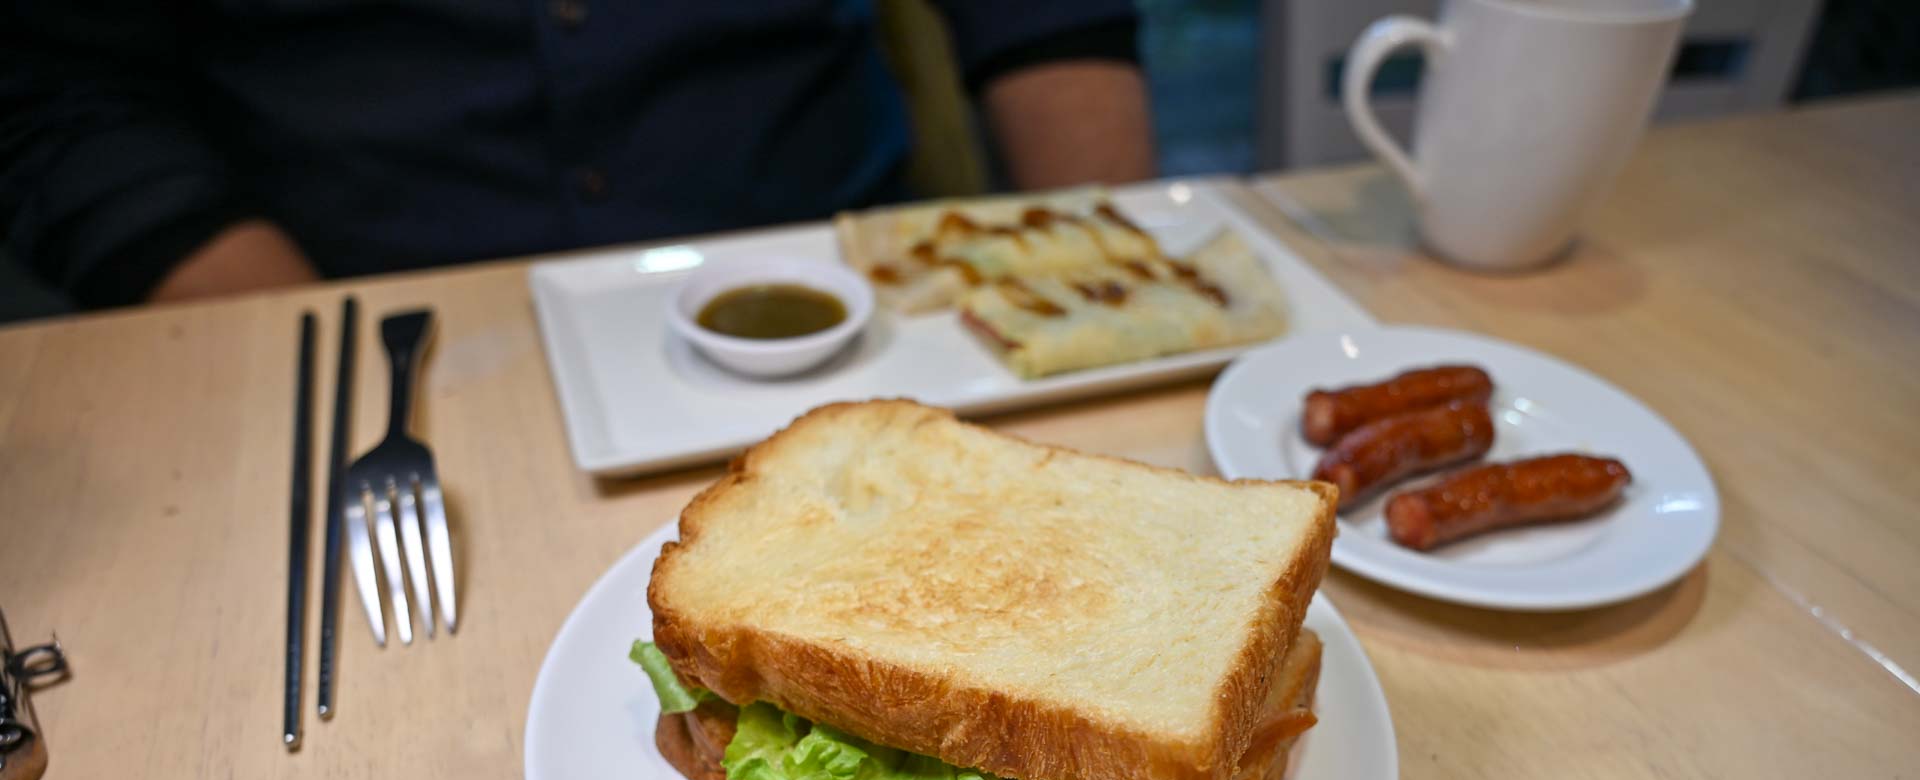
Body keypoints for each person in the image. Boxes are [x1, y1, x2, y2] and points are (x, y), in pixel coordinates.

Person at [0, 1, 1153, 308]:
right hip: (374, 317)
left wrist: (1117, 295)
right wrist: (320, 356)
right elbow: (56, 88)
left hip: (847, 272)